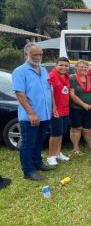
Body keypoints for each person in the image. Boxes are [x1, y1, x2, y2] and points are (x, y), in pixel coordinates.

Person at [12, 43, 55, 181]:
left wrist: (52, 108)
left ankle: (38, 163)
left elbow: (49, 90)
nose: (37, 57)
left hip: (45, 115)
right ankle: (28, 171)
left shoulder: (43, 70)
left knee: (39, 141)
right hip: (30, 117)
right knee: (28, 144)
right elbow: (20, 94)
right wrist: (31, 113)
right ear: (26, 54)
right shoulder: (20, 71)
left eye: (40, 54)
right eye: (34, 55)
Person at [69, 60, 91, 155]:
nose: (83, 68)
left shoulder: (90, 79)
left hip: (89, 108)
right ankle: (76, 148)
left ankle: (90, 145)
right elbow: (72, 94)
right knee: (76, 128)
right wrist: (83, 104)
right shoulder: (72, 78)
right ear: (76, 67)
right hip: (76, 108)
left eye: (85, 67)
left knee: (88, 129)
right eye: (81, 66)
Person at [47, 57, 71, 166]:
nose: (63, 67)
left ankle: (57, 153)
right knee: (55, 133)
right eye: (61, 65)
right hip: (56, 110)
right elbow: (50, 93)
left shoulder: (67, 77)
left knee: (61, 132)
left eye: (66, 66)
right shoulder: (52, 76)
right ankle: (50, 156)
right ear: (56, 65)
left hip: (65, 109)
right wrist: (54, 107)